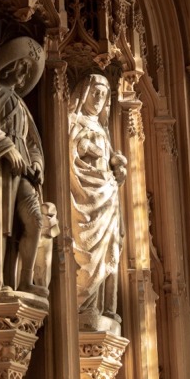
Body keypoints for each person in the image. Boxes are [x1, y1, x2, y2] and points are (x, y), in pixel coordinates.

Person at [0, 37, 45, 293]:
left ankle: (25, 280)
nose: (24, 73)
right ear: (9, 66)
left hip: (23, 175)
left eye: (28, 70)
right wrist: (6, 147)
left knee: (35, 221)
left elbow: (32, 142)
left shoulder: (21, 105)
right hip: (0, 169)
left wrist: (37, 163)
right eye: (22, 66)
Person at [69, 74, 127, 324]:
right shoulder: (74, 120)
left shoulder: (103, 129)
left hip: (107, 195)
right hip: (85, 196)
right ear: (84, 93)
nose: (99, 98)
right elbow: (70, 153)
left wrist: (118, 168)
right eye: (95, 92)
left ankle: (104, 307)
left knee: (112, 246)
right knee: (88, 253)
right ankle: (85, 307)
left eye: (103, 94)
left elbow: (109, 159)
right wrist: (84, 148)